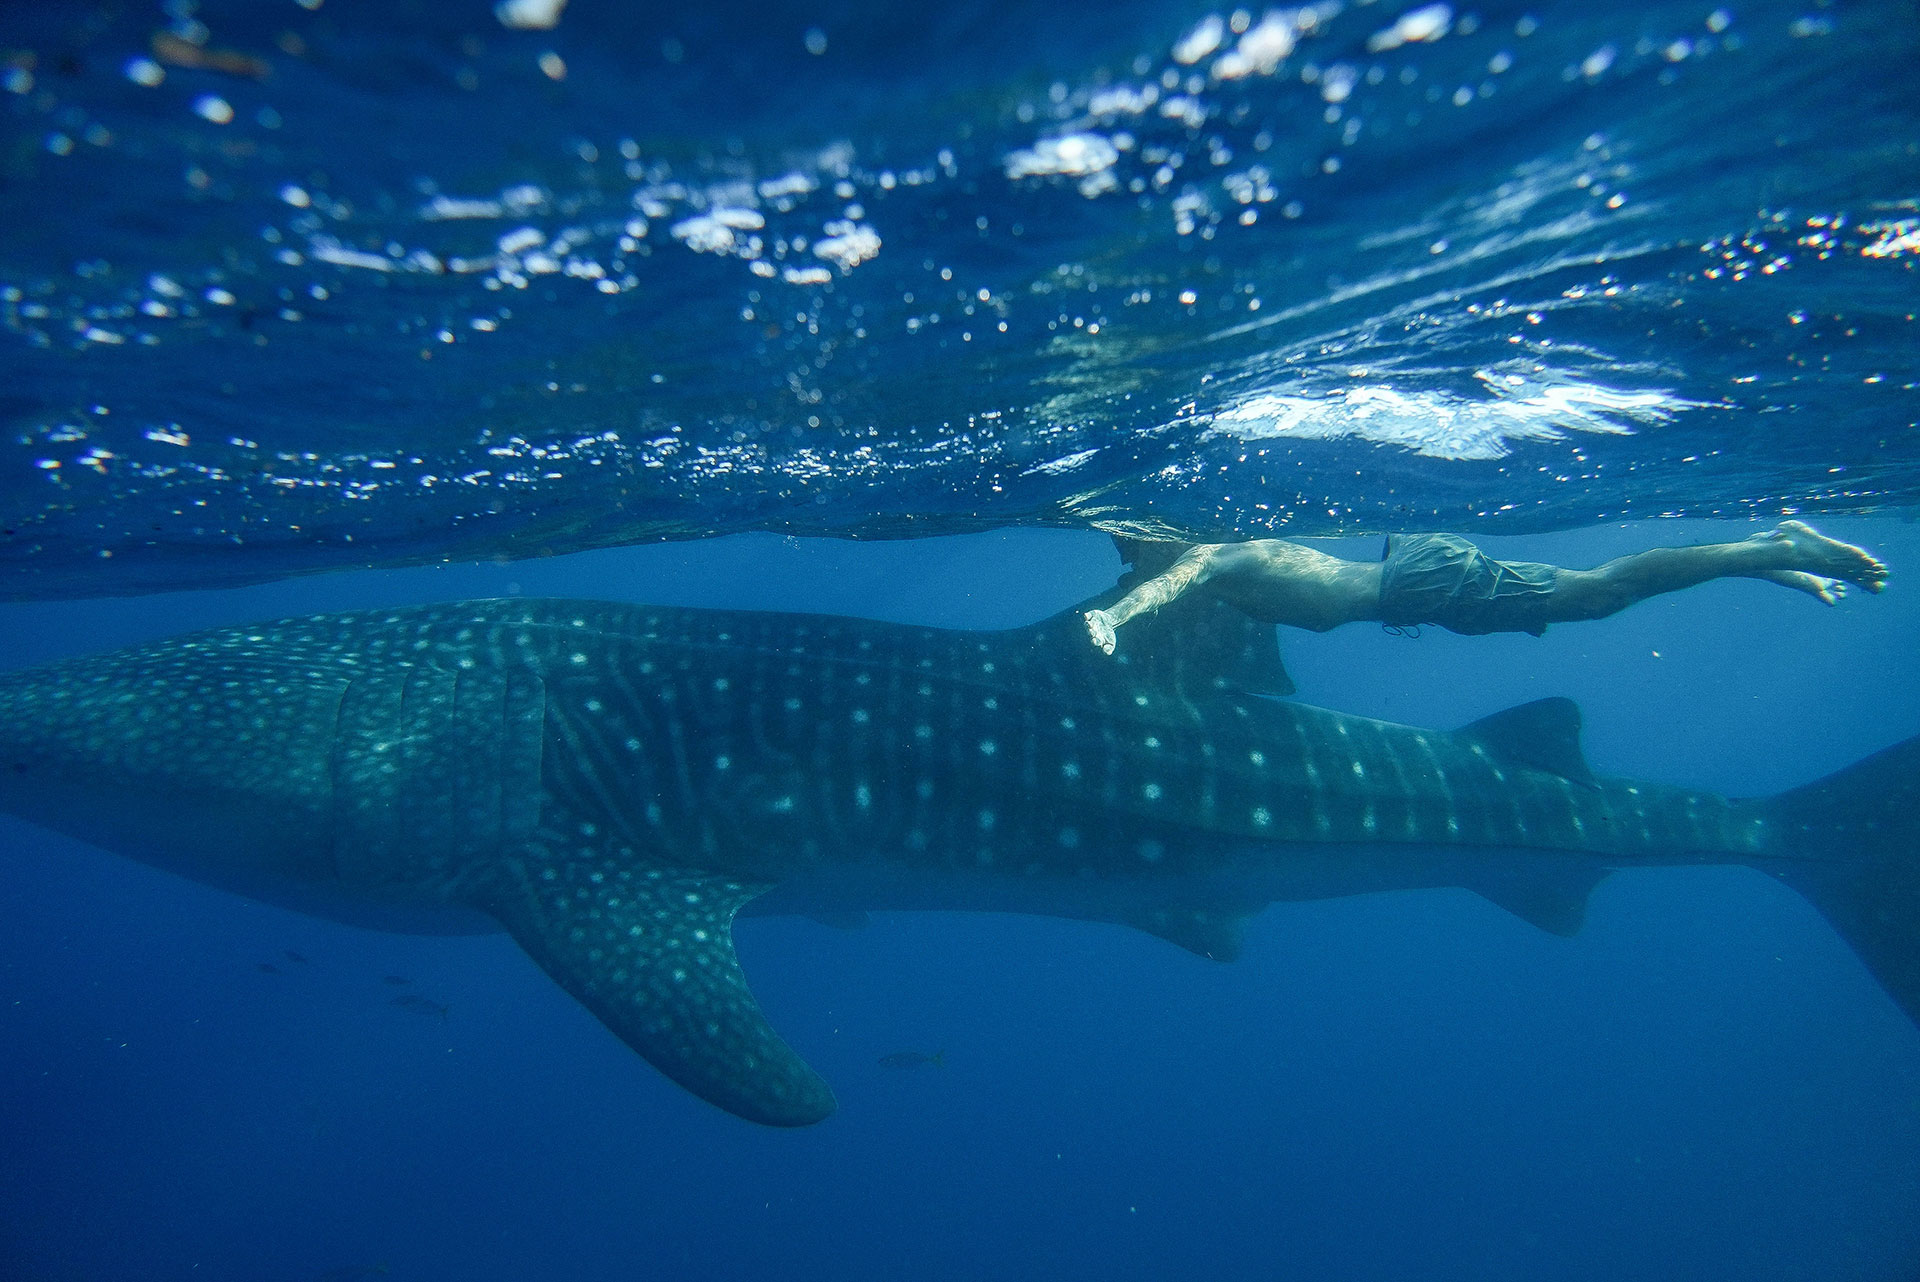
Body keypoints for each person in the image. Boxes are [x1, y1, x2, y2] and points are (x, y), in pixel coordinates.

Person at [1083, 521, 1888, 656]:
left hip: (1418, 583)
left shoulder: (1213, 557)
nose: (1127, 553)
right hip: (1419, 591)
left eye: (1131, 539)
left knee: (1601, 594)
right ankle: (1767, 559)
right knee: (1595, 594)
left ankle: (1771, 546)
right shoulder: (1217, 568)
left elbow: (1175, 578)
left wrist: (1116, 615)